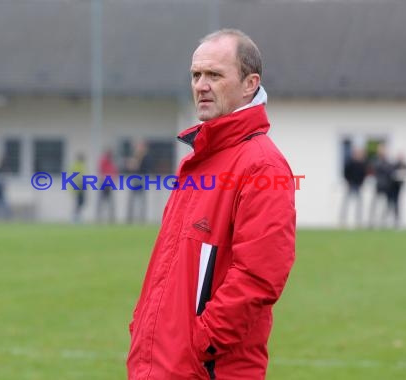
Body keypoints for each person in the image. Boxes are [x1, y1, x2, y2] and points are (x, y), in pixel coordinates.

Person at [127, 29, 296, 380]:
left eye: (215, 75)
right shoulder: (200, 159)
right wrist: (144, 326)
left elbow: (260, 276)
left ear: (250, 84)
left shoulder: (262, 165)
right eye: (196, 75)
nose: (201, 85)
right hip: (161, 363)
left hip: (207, 368)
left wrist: (201, 343)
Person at [339, 147, 367, 228]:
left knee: (359, 204)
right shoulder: (350, 162)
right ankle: (343, 221)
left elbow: (364, 174)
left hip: (358, 185)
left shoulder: (362, 164)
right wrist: (348, 181)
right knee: (346, 203)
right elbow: (345, 173)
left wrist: (362, 183)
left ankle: (359, 221)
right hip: (350, 184)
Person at [368, 143, 393, 228]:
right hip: (378, 185)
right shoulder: (376, 160)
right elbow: (375, 168)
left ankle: (383, 222)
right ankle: (372, 222)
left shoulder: (387, 161)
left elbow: (389, 170)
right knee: (374, 204)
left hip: (386, 186)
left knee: (385, 205)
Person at [97, 148, 118, 223]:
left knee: (109, 202)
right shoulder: (104, 160)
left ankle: (111, 218)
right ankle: (99, 218)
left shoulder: (111, 162)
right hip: (104, 183)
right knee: (102, 201)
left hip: (109, 183)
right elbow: (101, 171)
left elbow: (114, 172)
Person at [70, 153, 87, 223]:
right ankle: (75, 217)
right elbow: (75, 177)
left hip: (81, 186)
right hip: (77, 187)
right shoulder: (76, 165)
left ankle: (77, 216)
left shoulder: (82, 166)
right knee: (78, 202)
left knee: (81, 203)